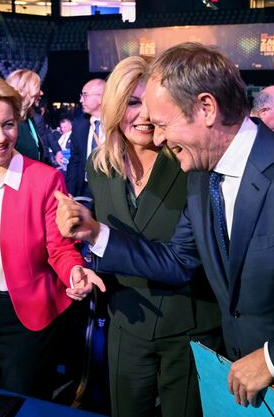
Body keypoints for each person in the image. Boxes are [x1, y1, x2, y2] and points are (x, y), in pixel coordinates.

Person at [56, 43, 274, 416]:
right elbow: (179, 260)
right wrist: (96, 234)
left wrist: (273, 360)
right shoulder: (201, 177)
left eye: (162, 124)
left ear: (206, 108)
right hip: (243, 396)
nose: (157, 139)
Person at [0, 74, 105, 398]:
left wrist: (74, 271)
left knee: (23, 405)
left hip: (27, 317)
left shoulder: (45, 179)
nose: (1, 137)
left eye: (8, 125)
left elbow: (60, 247)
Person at [87, 55, 222, 417]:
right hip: (126, 321)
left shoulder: (193, 162)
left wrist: (97, 237)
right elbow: (100, 243)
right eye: (133, 103)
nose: (144, 116)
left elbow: (186, 259)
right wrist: (83, 267)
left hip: (190, 327)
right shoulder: (100, 167)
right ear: (114, 106)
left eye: (151, 105)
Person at [66, 78, 106, 198]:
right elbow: (74, 161)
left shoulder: (119, 125)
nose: (80, 100)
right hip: (85, 189)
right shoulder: (79, 125)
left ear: (101, 97)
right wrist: (70, 192)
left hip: (112, 190)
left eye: (85, 95)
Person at [5, 69, 49, 164]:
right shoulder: (7, 123)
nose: (41, 93)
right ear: (24, 91)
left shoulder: (29, 119)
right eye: (38, 89)